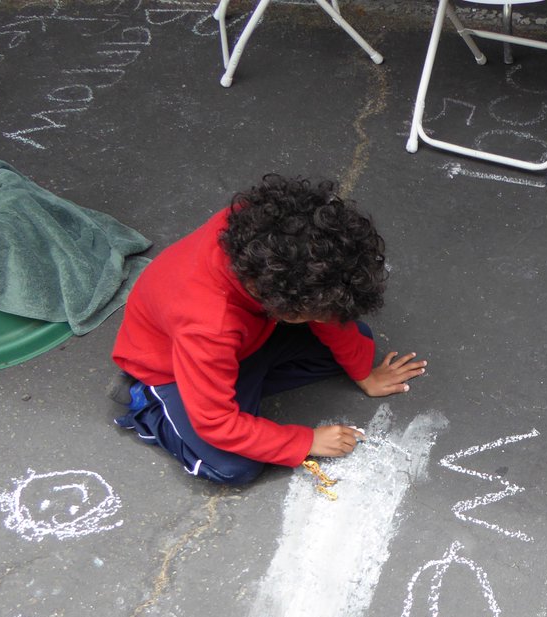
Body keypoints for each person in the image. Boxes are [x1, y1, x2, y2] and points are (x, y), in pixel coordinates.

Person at [109, 174, 425, 485]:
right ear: (281, 301)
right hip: (169, 368)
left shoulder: (264, 234)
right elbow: (215, 423)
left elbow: (327, 310)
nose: (324, 316)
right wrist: (306, 441)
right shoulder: (209, 324)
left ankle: (227, 388)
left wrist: (364, 375)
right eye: (313, 312)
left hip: (239, 342)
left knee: (353, 342)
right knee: (234, 467)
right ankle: (149, 407)